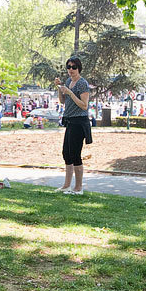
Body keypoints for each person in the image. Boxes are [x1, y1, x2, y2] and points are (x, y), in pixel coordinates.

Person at [54, 57, 91, 196]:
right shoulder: (69, 81)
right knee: (66, 154)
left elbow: (84, 105)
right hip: (69, 120)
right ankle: (66, 185)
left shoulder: (82, 84)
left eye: (73, 67)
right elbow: (63, 101)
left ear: (79, 68)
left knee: (75, 154)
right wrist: (60, 88)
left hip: (79, 122)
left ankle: (78, 188)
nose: (70, 69)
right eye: (68, 67)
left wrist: (70, 93)